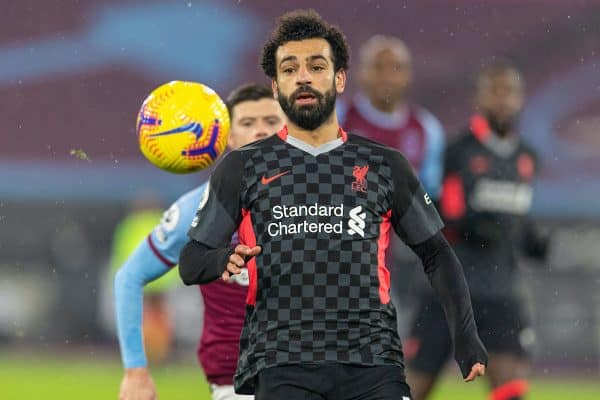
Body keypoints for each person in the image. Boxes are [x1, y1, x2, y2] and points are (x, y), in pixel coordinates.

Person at [179, 9, 487, 400]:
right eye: (289, 69)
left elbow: (437, 254)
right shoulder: (242, 166)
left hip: (373, 363)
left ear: (340, 78)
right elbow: (191, 261)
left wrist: (465, 336)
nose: (303, 76)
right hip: (281, 363)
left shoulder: (385, 164)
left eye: (316, 66)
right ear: (275, 87)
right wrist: (221, 259)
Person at [114, 83, 285, 400]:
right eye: (248, 123)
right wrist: (135, 372)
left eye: (271, 121)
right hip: (241, 383)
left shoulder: (323, 198)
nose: (261, 131)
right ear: (228, 138)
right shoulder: (200, 207)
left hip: (320, 373)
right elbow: (129, 276)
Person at [405, 60, 547, 400]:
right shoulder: (458, 151)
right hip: (450, 290)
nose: (503, 100)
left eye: (510, 91)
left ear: (520, 98)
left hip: (501, 292)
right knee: (411, 390)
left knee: (510, 391)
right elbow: (447, 217)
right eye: (495, 91)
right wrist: (483, 225)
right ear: (479, 99)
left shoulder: (527, 157)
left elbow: (518, 218)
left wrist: (533, 240)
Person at [340, 35, 444, 199]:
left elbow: (431, 194)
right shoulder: (338, 116)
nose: (387, 76)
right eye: (378, 67)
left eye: (396, 68)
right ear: (361, 73)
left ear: (408, 75)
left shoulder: (427, 128)